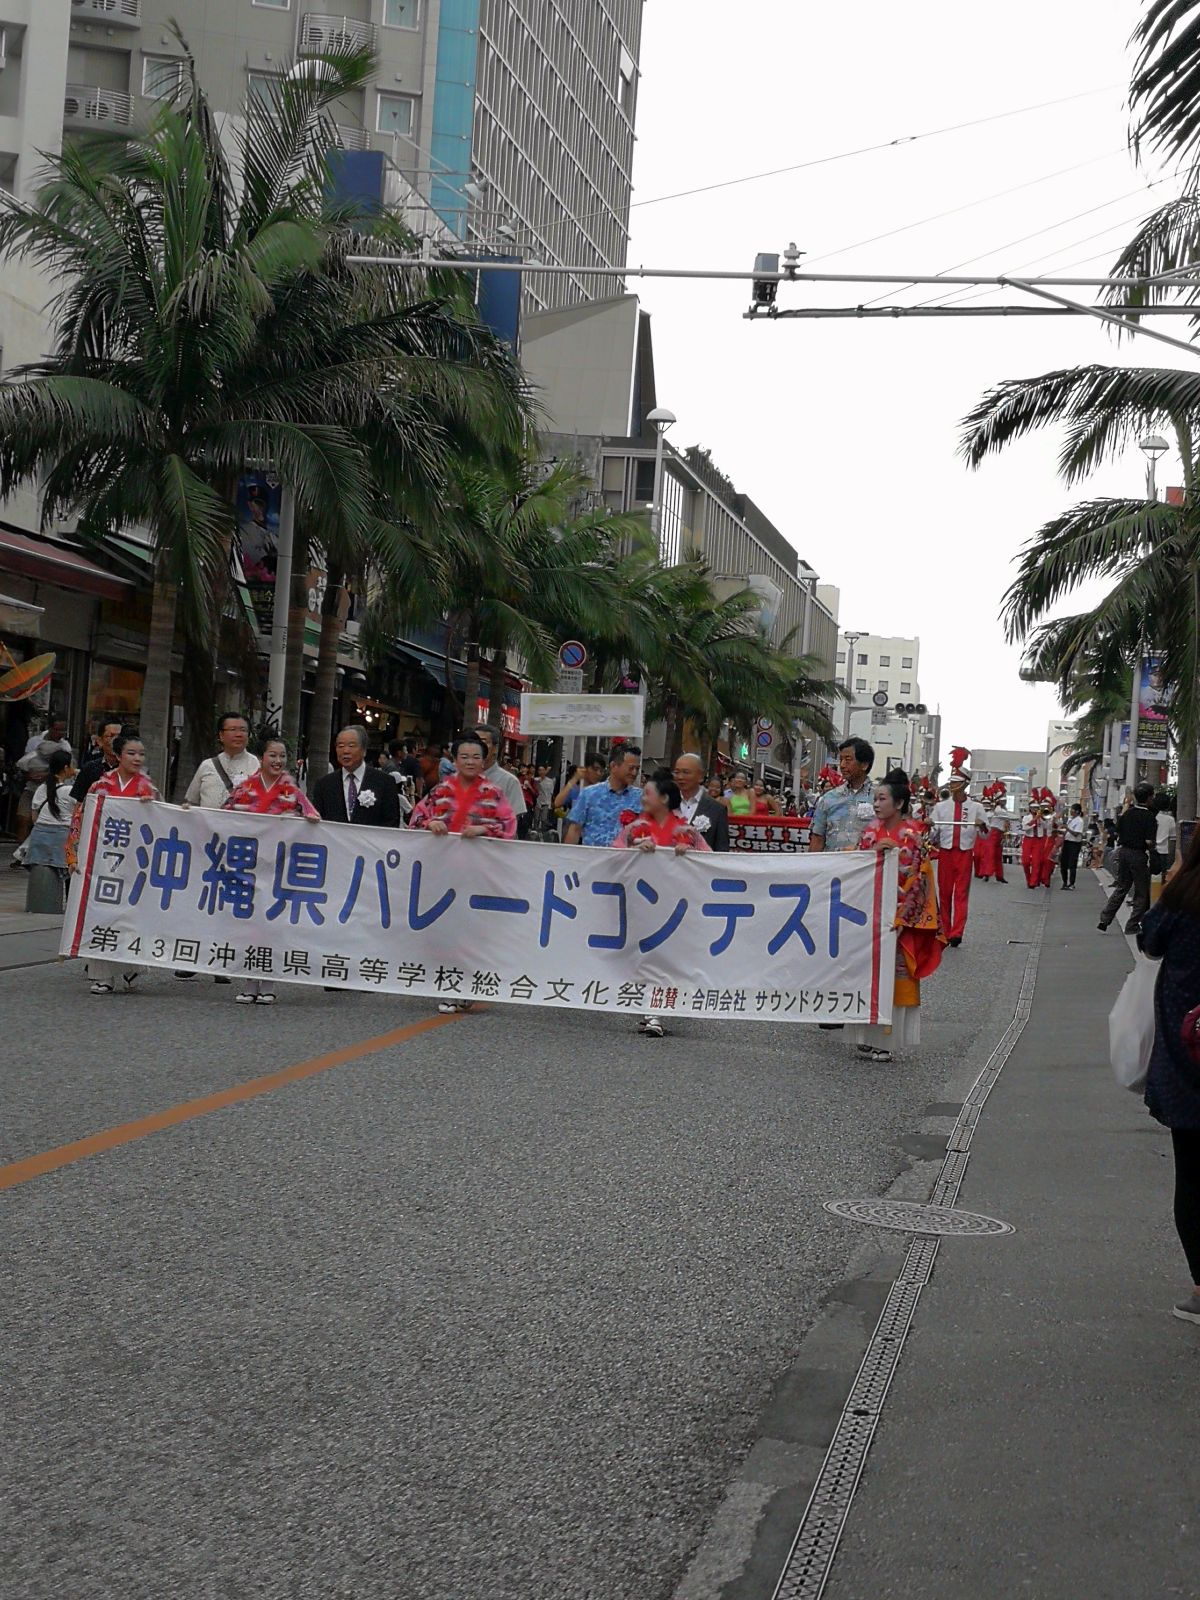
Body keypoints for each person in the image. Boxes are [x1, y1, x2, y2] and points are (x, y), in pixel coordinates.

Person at [1137, 829, 1200, 1323]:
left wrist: (1177, 875)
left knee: (1193, 1178)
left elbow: (1149, 939)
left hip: (1189, 1054)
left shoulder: (1183, 896)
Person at [409, 735, 517, 1014]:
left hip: (479, 875)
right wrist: (430, 822)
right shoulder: (439, 790)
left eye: (476, 757)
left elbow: (510, 827)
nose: (470, 762)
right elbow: (416, 819)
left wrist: (484, 829)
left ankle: (465, 985)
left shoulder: (494, 793)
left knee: (472, 932)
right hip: (443, 874)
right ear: (454, 760)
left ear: (485, 760)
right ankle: (451, 984)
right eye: (464, 757)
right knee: (446, 931)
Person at [851, 769, 943, 1063]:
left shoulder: (914, 836)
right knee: (867, 973)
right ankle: (864, 1036)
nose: (877, 804)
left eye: (882, 799)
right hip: (869, 914)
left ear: (899, 804)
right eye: (875, 799)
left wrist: (904, 918)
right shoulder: (868, 833)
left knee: (894, 976)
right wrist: (874, 853)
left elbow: (920, 880)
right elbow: (856, 868)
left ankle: (886, 1041)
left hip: (900, 918)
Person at [612, 768, 711, 1039]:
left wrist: (689, 853)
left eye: (648, 793)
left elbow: (711, 860)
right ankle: (650, 1009)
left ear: (665, 799)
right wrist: (633, 850)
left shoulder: (685, 831)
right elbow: (612, 855)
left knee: (664, 958)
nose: (643, 797)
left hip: (675, 908)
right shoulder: (635, 828)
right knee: (644, 957)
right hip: (640, 904)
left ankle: (655, 1009)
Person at [221, 737, 320, 1004]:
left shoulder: (292, 790)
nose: (277, 761)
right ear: (262, 757)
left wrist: (306, 819)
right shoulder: (245, 788)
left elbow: (312, 815)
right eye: (272, 756)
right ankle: (249, 981)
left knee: (272, 925)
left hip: (279, 867)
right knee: (250, 925)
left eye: (282, 756)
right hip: (249, 866)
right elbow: (223, 816)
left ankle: (268, 983)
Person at [68, 735, 159, 993]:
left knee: (131, 915)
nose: (137, 758)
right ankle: (103, 975)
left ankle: (130, 964)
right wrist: (74, 854)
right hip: (104, 860)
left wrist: (151, 808)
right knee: (101, 914)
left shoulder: (149, 790)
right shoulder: (100, 787)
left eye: (141, 754)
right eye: (131, 753)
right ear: (118, 756)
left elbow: (161, 824)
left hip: (135, 863)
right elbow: (80, 819)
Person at [929, 753, 989, 947]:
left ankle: (957, 932)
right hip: (946, 853)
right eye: (951, 782)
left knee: (961, 894)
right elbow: (933, 835)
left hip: (964, 854)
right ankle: (945, 930)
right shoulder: (940, 807)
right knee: (945, 893)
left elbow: (985, 835)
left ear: (964, 784)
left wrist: (982, 826)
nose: (952, 785)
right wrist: (929, 826)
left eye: (956, 782)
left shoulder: (976, 807)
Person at [312, 725, 401, 828]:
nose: (345, 751)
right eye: (340, 746)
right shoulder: (324, 784)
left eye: (351, 746)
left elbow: (392, 823)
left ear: (364, 750)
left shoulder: (385, 782)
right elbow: (318, 821)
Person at [1099, 782, 1157, 935]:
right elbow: (1149, 841)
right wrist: (1153, 850)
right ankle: (1132, 924)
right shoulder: (1149, 816)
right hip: (1138, 855)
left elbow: (1118, 832)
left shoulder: (1127, 814)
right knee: (1141, 891)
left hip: (1123, 852)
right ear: (1150, 798)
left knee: (1122, 887)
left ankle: (1105, 919)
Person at [563, 744, 642, 847]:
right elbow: (575, 831)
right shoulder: (589, 794)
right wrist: (568, 859)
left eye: (637, 768)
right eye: (631, 768)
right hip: (593, 860)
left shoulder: (641, 798)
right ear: (614, 766)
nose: (635, 773)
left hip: (626, 861)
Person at [808, 738, 876, 854]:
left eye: (848, 760)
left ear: (864, 765)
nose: (842, 765)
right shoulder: (828, 799)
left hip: (866, 869)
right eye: (841, 760)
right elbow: (817, 839)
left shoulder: (880, 799)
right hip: (833, 868)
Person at [184, 713, 260, 808]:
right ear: (221, 735)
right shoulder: (207, 765)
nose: (238, 734)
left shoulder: (257, 766)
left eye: (243, 730)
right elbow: (192, 801)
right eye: (233, 729)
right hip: (208, 822)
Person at [23, 749, 77, 878]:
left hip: (39, 835)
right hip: (62, 836)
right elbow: (78, 817)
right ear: (66, 768)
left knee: (41, 877)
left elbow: (34, 816)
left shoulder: (42, 788)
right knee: (58, 877)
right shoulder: (70, 791)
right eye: (72, 765)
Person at [672, 753, 730, 851]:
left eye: (686, 772)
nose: (680, 777)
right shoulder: (665, 805)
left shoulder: (717, 810)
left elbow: (722, 850)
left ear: (701, 776)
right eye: (677, 772)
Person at [473, 724, 527, 826]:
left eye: (483, 742)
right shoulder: (460, 778)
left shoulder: (509, 781)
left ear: (495, 748)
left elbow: (512, 821)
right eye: (474, 742)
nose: (477, 747)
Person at [70, 719, 124, 804]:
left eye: (119, 737)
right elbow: (79, 804)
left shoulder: (130, 770)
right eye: (110, 736)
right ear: (100, 741)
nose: (115, 741)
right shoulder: (89, 769)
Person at [1059, 802, 1086, 889]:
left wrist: (1067, 828)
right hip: (1067, 842)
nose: (1071, 811)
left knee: (1072, 864)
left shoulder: (1079, 821)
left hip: (1074, 844)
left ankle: (1072, 883)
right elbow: (1067, 832)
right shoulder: (1070, 819)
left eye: (1073, 810)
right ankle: (1064, 882)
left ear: (1077, 811)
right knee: (1063, 863)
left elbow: (1076, 834)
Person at [1155, 791, 1178, 879]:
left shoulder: (1152, 817)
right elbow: (1173, 837)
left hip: (1150, 851)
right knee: (1162, 876)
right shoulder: (1170, 819)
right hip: (1164, 851)